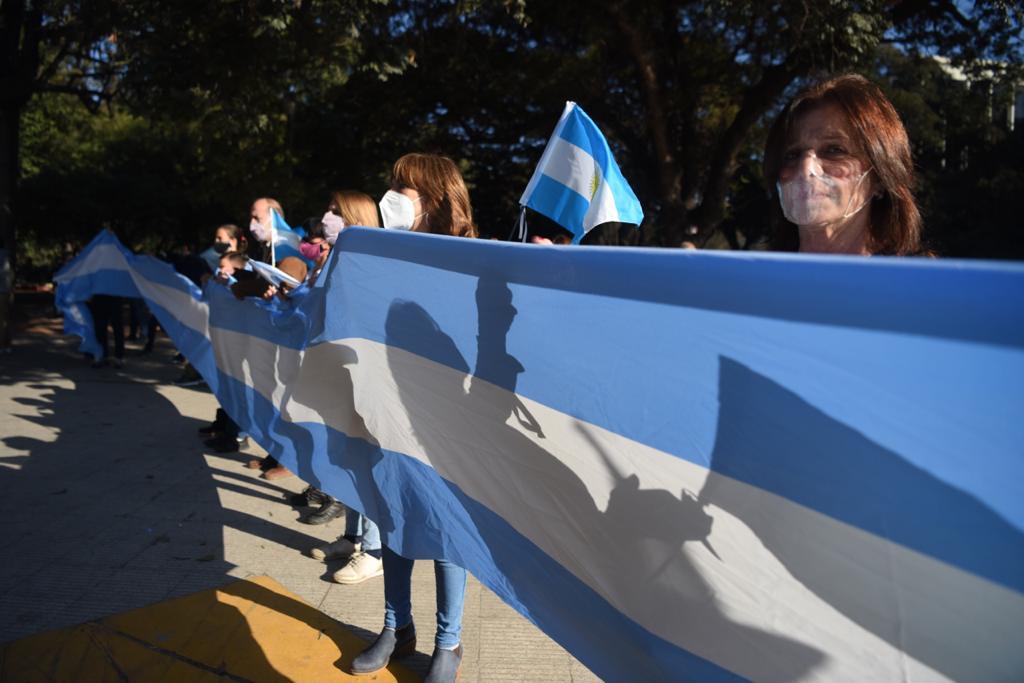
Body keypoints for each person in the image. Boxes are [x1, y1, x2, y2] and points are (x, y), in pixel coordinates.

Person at [350, 155, 476, 683]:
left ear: (437, 197)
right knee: (393, 517)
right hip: (387, 406)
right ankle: (396, 627)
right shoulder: (383, 252)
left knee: (447, 532)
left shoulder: (468, 260)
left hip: (446, 416)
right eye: (392, 184)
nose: (392, 197)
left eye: (405, 188)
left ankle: (449, 644)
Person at [763, 73, 924, 256]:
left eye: (834, 150)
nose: (806, 169)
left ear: (879, 178)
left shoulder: (916, 281)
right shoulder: (753, 279)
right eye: (792, 155)